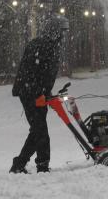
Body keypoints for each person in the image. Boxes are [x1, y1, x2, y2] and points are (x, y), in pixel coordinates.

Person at [10, 15, 66, 174]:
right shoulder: (40, 45)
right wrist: (37, 94)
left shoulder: (51, 45)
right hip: (29, 94)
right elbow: (30, 73)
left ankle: (20, 164)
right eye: (61, 32)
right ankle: (41, 166)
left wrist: (46, 92)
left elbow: (45, 75)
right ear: (54, 31)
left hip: (38, 94)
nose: (63, 36)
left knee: (37, 131)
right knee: (40, 131)